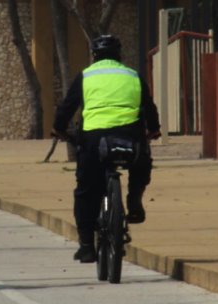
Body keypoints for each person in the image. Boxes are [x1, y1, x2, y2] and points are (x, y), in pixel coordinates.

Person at [52, 34, 161, 263]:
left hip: (93, 139)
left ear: (94, 55)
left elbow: (67, 107)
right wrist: (153, 129)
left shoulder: (86, 76)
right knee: (141, 162)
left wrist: (59, 129)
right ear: (119, 55)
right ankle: (134, 201)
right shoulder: (133, 76)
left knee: (85, 190)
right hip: (129, 136)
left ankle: (86, 245)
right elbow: (149, 108)